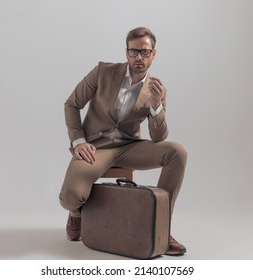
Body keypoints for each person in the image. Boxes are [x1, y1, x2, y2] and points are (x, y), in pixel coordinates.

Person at [59, 27, 188, 256]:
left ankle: (162, 228)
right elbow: (72, 104)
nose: (139, 57)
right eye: (134, 51)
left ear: (153, 54)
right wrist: (79, 141)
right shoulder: (102, 72)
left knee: (177, 152)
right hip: (95, 148)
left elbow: (159, 138)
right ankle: (76, 215)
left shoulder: (156, 89)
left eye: (145, 52)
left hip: (129, 147)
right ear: (126, 53)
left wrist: (156, 105)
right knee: (70, 197)